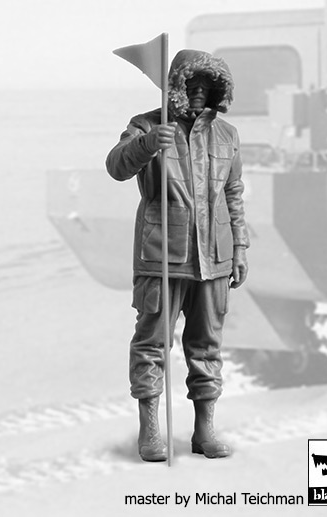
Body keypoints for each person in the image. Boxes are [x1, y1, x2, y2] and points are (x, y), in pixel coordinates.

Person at [106, 49, 249, 461]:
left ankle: (204, 430)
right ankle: (150, 431)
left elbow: (234, 194)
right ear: (176, 86)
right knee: (151, 344)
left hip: (215, 258)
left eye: (208, 84)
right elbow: (116, 166)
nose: (200, 91)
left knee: (207, 347)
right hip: (161, 256)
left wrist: (240, 247)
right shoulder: (147, 124)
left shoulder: (227, 135)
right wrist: (149, 144)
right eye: (192, 83)